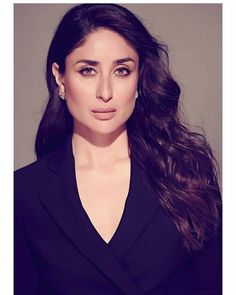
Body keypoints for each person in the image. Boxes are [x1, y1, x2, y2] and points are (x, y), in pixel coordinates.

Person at [14, 4, 222, 295]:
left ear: (139, 79)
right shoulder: (20, 194)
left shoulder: (187, 175)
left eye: (122, 71)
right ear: (60, 78)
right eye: (87, 71)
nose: (106, 92)